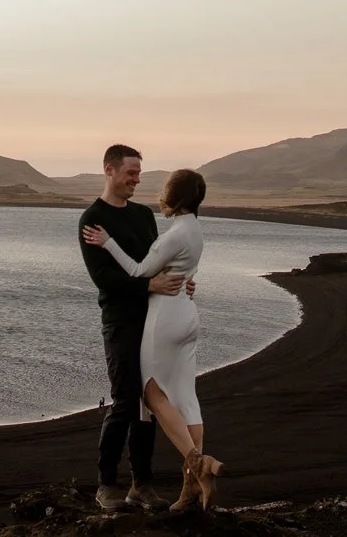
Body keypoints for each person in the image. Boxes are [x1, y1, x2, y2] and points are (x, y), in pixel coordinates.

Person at [83, 168, 221, 512]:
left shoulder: (159, 225)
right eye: (132, 172)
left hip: (164, 319)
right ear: (110, 170)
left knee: (151, 395)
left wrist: (109, 243)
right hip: (175, 316)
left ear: (175, 195)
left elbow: (140, 270)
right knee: (181, 397)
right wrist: (180, 279)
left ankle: (194, 466)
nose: (139, 180)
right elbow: (114, 277)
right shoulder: (193, 230)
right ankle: (186, 488)